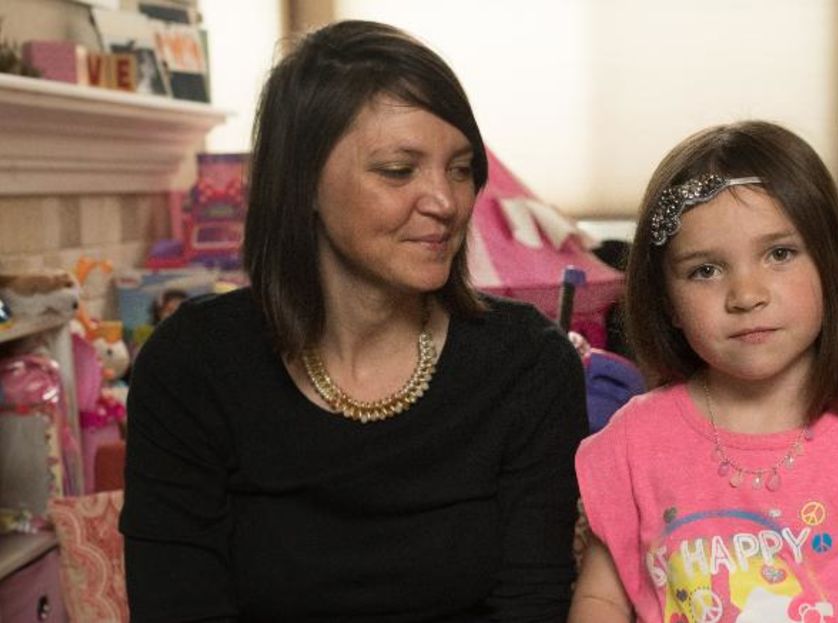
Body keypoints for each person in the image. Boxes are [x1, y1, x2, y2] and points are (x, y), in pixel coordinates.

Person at [121, 20, 587, 621]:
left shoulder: (529, 366)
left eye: (461, 168)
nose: (445, 202)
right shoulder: (193, 365)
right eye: (399, 170)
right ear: (303, 181)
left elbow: (533, 605)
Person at [569, 121, 838, 622]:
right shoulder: (633, 442)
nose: (747, 295)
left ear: (830, 268)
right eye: (705, 270)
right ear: (668, 303)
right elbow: (602, 599)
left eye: (779, 254)